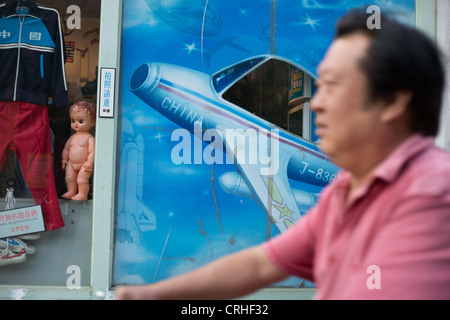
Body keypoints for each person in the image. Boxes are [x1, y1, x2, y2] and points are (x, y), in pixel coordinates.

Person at [115, 8, 450, 300]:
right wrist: (157, 294)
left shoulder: (436, 191)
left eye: (333, 87)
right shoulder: (346, 192)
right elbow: (261, 265)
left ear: (393, 101)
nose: (316, 104)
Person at [62, 101, 96, 201]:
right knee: (69, 178)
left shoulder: (89, 138)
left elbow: (92, 152)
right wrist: (64, 159)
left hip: (84, 164)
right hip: (71, 164)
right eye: (73, 121)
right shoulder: (72, 138)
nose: (76, 124)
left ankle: (82, 194)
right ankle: (71, 191)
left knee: (82, 180)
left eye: (81, 121)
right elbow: (66, 149)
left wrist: (89, 163)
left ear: (92, 123)